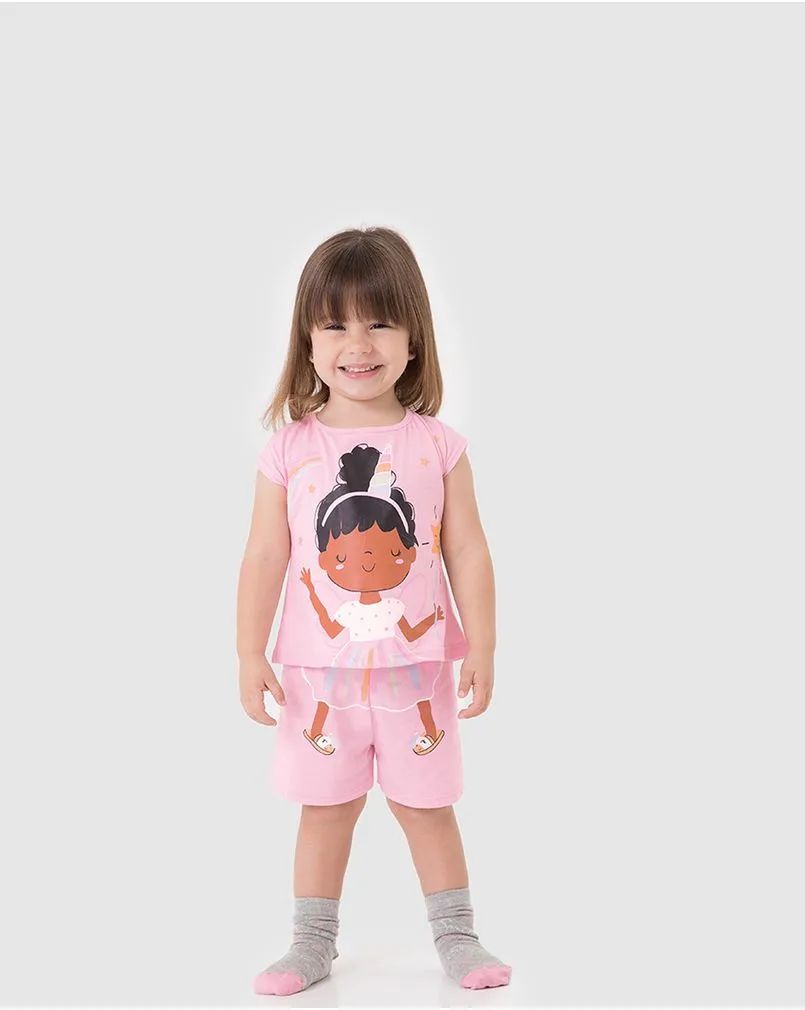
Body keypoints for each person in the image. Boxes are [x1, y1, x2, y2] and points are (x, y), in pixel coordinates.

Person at [237, 226, 510, 996]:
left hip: (417, 673)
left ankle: (456, 935)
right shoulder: (287, 450)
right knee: (324, 809)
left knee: (427, 808)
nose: (358, 344)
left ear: (414, 338)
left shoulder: (439, 446)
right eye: (335, 324)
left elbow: (468, 552)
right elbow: (265, 556)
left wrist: (482, 645)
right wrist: (248, 652)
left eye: (380, 322)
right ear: (307, 340)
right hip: (317, 677)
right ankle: (310, 942)